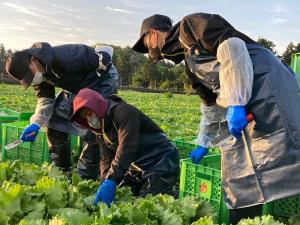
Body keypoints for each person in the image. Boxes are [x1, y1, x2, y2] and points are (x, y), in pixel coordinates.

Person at [132, 13, 300, 224]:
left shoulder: (189, 27)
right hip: (246, 101)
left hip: (267, 85)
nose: (148, 49)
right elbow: (210, 106)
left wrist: (236, 102)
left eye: (145, 42)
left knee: (287, 150)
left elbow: (233, 47)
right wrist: (203, 142)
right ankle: (245, 220)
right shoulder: (190, 63)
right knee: (239, 170)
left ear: (153, 33)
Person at [5, 42, 118, 180]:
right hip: (76, 87)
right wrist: (36, 123)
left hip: (102, 80)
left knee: (93, 127)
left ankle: (86, 178)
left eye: (30, 74)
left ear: (33, 60)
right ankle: (63, 173)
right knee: (54, 122)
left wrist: (103, 49)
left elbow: (104, 57)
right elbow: (46, 101)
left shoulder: (68, 57)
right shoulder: (41, 75)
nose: (33, 80)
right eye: (28, 79)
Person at [70, 88, 179, 207]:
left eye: (89, 113)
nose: (89, 119)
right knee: (122, 194)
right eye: (85, 117)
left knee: (147, 204)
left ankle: (172, 194)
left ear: (97, 106)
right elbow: (106, 158)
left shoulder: (124, 112)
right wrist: (105, 181)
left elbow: (127, 148)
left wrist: (111, 180)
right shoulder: (101, 130)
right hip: (137, 165)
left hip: (160, 160)